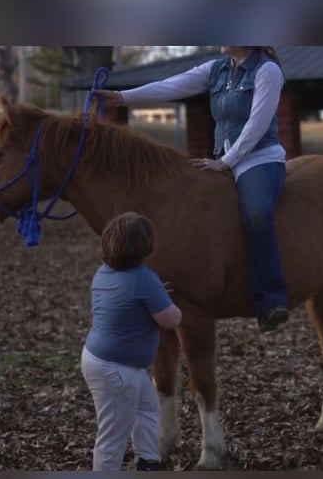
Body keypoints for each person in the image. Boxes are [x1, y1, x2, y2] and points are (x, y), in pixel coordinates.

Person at [94, 46, 289, 333]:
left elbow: (257, 124)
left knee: (257, 216)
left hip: (258, 158)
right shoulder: (217, 69)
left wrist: (226, 161)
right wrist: (123, 98)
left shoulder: (267, 70)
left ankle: (270, 299)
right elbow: (171, 86)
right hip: (223, 158)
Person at [80, 212, 182, 471]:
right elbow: (170, 320)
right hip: (116, 370)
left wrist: (155, 296)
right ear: (144, 247)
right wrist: (169, 304)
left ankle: (148, 462)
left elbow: (129, 301)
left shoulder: (104, 273)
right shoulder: (144, 279)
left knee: (147, 410)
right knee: (113, 435)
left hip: (109, 362)